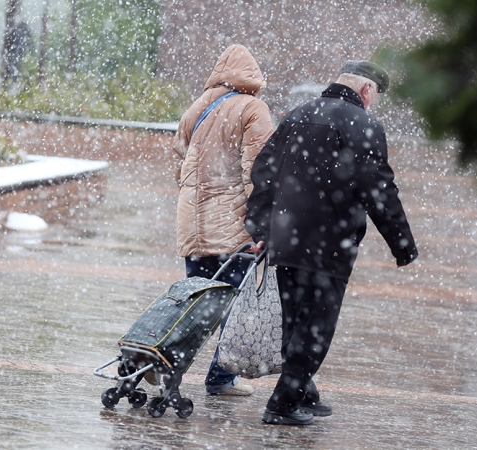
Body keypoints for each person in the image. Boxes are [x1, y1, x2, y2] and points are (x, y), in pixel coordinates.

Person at [245, 60, 419, 425]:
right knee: (316, 329)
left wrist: (260, 229)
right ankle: (282, 404)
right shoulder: (363, 124)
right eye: (375, 97)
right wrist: (402, 244)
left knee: (295, 322)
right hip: (328, 245)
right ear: (367, 90)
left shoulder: (297, 114)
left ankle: (303, 391)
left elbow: (263, 171)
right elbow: (379, 189)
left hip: (286, 239)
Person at [172, 44, 274, 396]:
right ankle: (220, 378)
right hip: (233, 229)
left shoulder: (195, 109)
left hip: (192, 227)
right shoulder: (253, 108)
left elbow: (180, 166)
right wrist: (262, 224)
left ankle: (168, 365)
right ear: (253, 77)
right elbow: (259, 171)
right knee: (233, 306)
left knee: (197, 305)